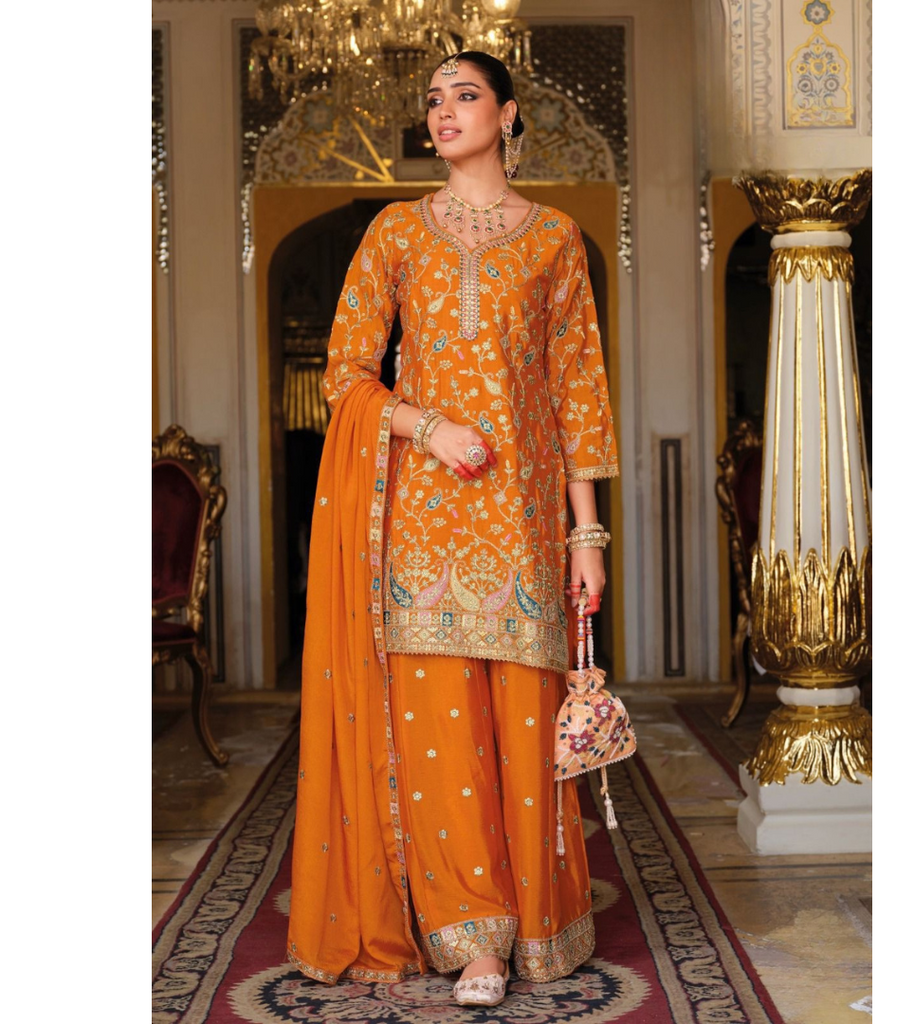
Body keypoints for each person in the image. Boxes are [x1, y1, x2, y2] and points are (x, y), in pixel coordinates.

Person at [286, 50, 620, 1008]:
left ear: (507, 115)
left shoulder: (555, 239)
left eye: (465, 96)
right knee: (439, 737)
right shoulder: (397, 231)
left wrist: (587, 537)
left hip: (523, 519)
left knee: (524, 728)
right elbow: (346, 372)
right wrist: (428, 427)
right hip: (422, 522)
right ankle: (473, 937)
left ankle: (538, 924)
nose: (443, 112)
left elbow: (578, 391)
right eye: (434, 100)